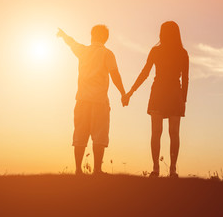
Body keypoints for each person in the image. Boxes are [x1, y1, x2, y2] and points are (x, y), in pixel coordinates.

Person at [57, 25, 126, 175]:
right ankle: (97, 170)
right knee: (99, 135)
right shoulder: (107, 53)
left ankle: (77, 170)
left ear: (91, 35)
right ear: (106, 38)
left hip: (82, 99)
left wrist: (63, 35)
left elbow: (72, 42)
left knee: (80, 134)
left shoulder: (83, 51)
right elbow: (115, 75)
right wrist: (123, 93)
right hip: (99, 100)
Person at [123, 21, 189, 178]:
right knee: (174, 133)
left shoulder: (157, 51)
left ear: (162, 33)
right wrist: (183, 100)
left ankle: (156, 169)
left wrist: (131, 92)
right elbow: (185, 79)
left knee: (156, 132)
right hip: (174, 94)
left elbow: (145, 72)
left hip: (159, 93)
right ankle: (172, 169)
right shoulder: (182, 52)